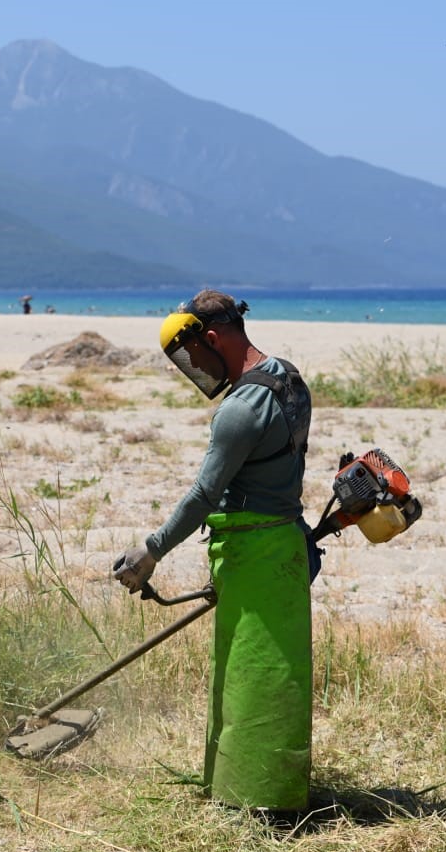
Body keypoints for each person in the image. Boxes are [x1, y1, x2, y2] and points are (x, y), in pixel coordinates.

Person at [113, 288, 316, 818]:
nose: (193, 369)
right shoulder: (289, 379)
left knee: (253, 674)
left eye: (192, 357)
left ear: (209, 338)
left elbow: (204, 495)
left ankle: (252, 800)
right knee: (275, 673)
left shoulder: (240, 410)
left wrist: (149, 553)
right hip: (285, 546)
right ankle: (264, 787)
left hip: (253, 553)